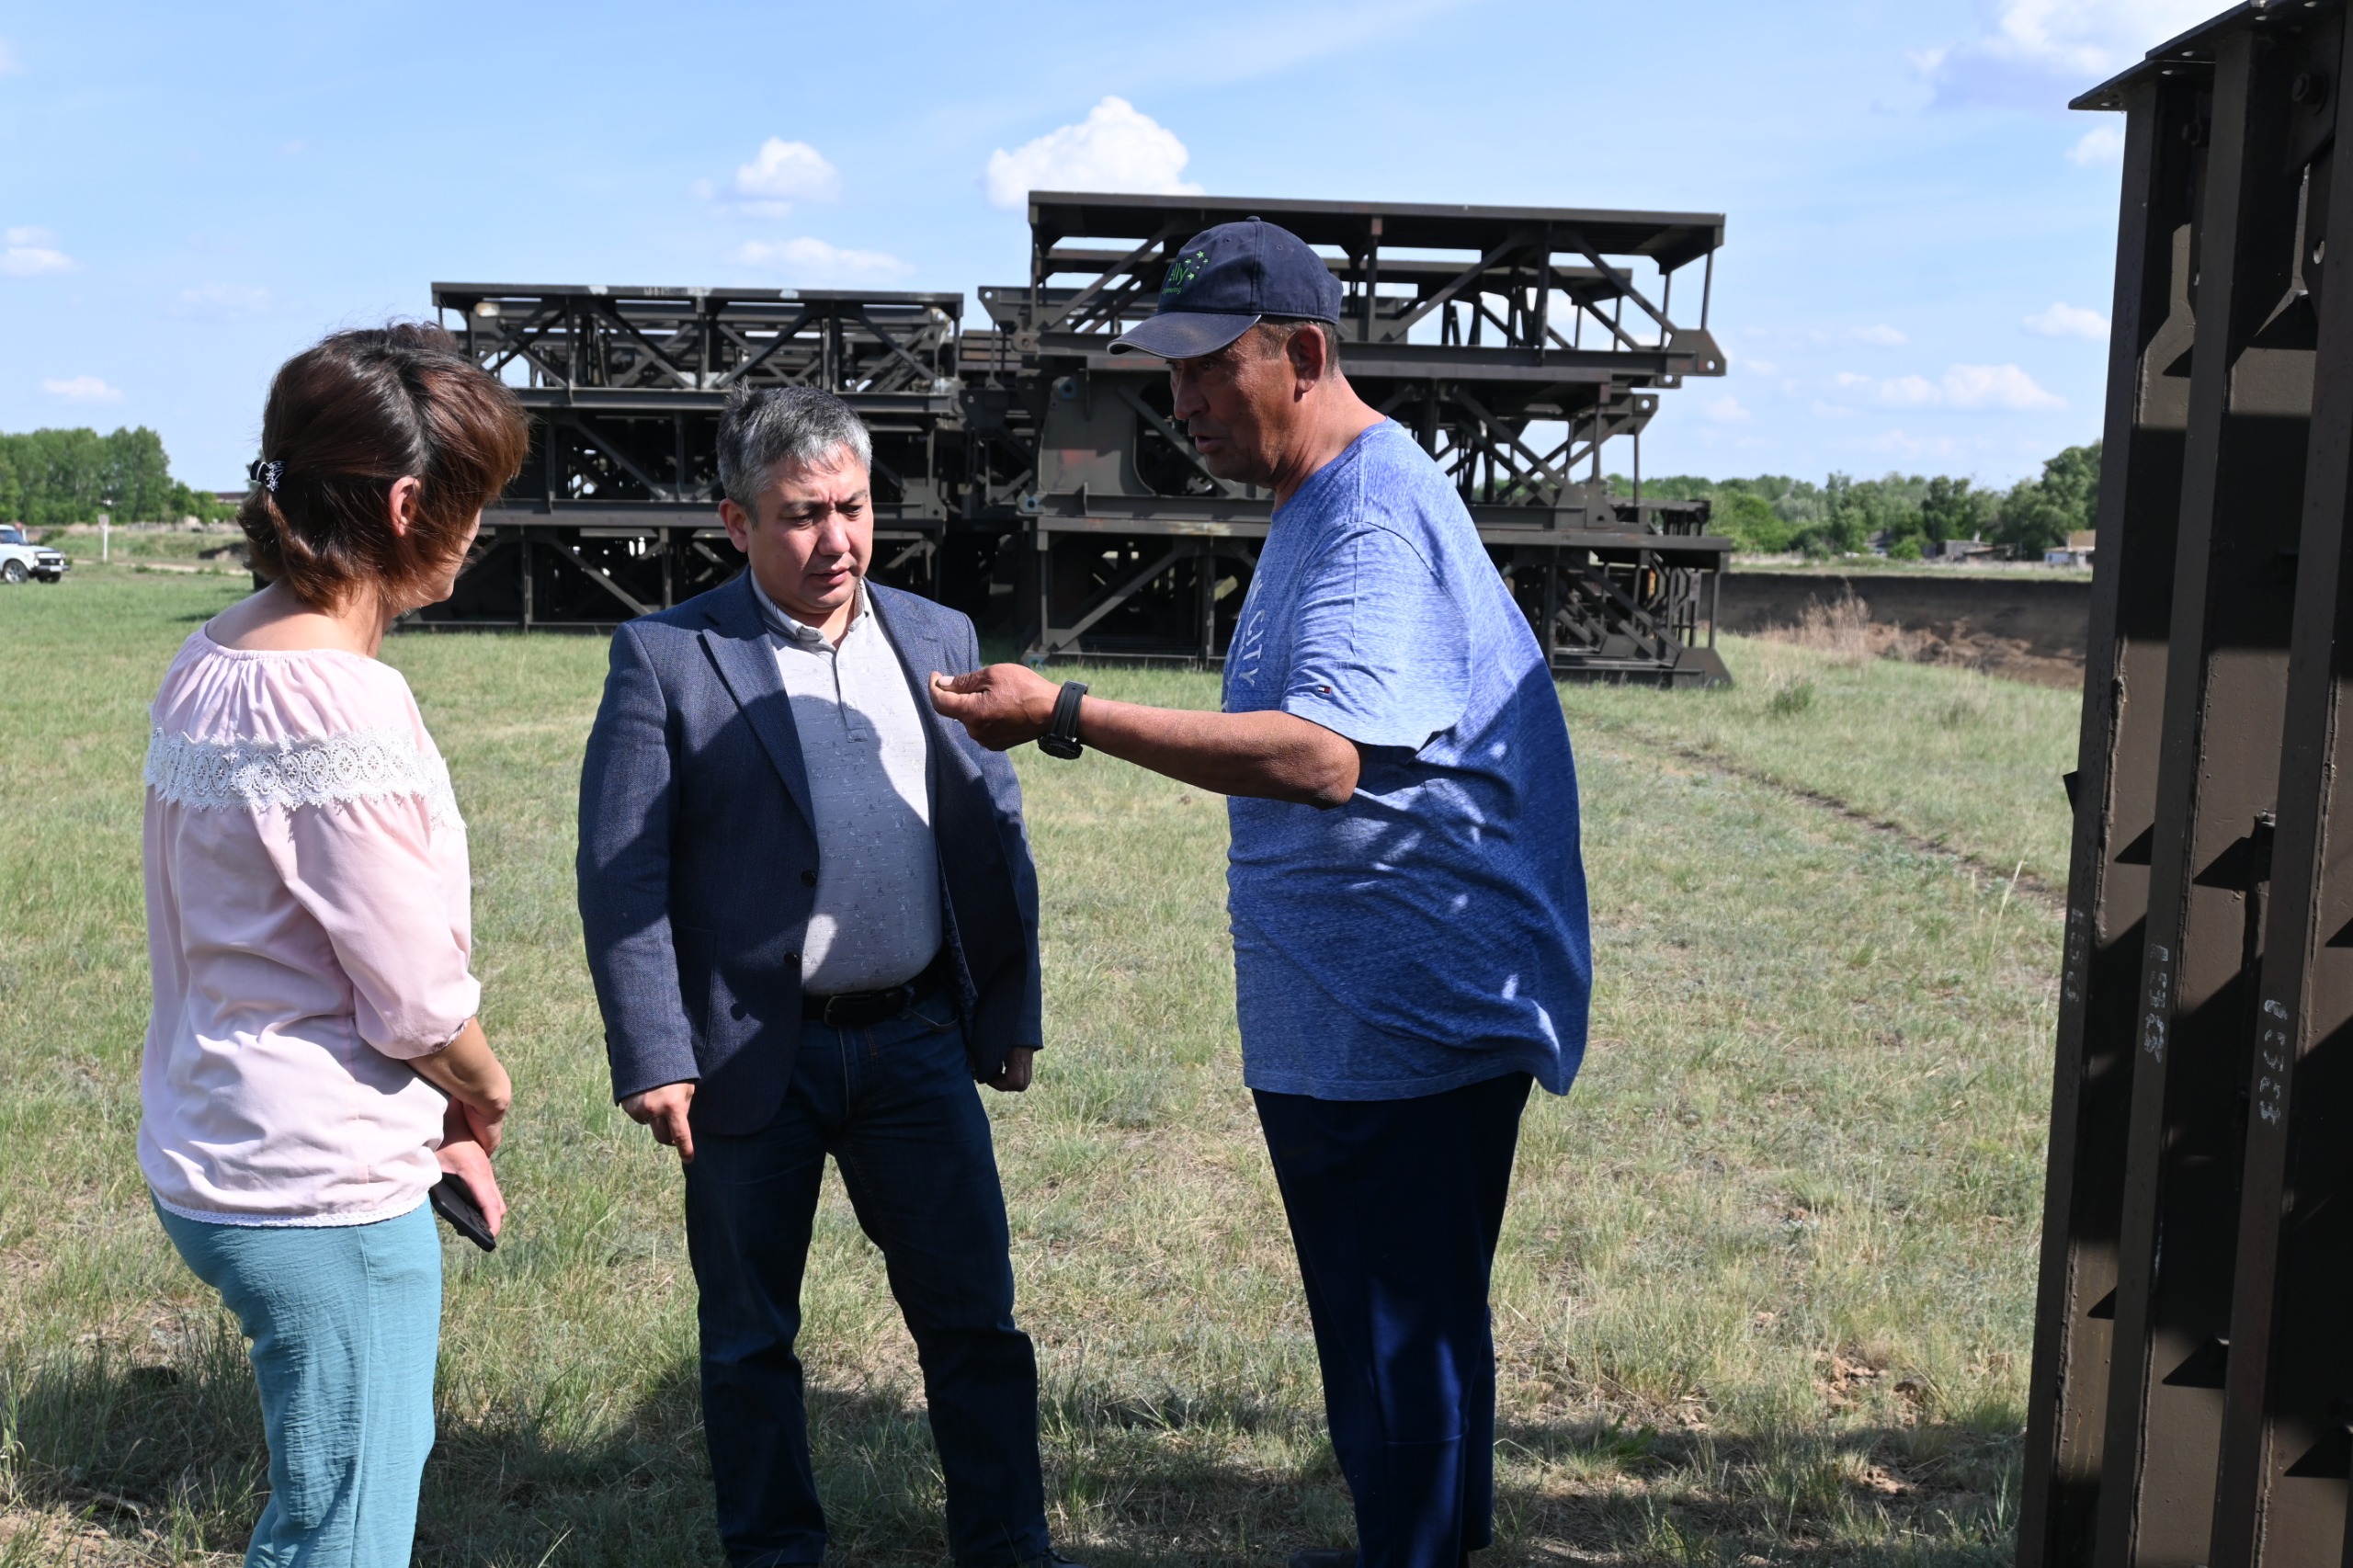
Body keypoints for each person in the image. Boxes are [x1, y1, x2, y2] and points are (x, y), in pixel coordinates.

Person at [930, 219, 1591, 1568]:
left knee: (1400, 1337)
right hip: (1355, 1021)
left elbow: (1320, 755)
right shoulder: (1321, 498)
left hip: (1401, 1030)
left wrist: (1065, 710)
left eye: (1204, 371)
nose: (1178, 407)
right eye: (1163, 378)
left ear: (1303, 351)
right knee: (1391, 1333)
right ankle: (1415, 1545)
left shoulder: (1367, 508)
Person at [575, 385, 1081, 1568]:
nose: (837, 541)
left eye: (852, 507)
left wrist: (1008, 1004)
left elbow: (990, 834)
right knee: (750, 1337)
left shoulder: (938, 635)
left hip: (914, 1043)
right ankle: (774, 1550)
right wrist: (655, 1050)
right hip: (753, 1056)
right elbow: (622, 871)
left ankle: (1008, 1546)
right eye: (803, 514)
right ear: (734, 520)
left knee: (974, 1323)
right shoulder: (668, 656)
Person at [140, 324, 528, 1567]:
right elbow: (412, 996)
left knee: (317, 1504)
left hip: (211, 1146)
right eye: (474, 502)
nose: (478, 529)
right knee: (346, 1525)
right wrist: (487, 1086)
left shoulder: (209, 657)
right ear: (412, 502)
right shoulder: (345, 700)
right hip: (323, 1190)